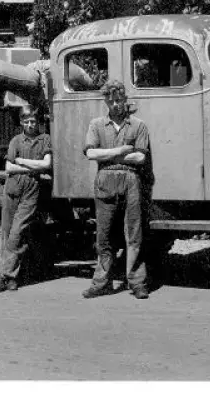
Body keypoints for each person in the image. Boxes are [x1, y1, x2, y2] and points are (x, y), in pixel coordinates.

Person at [82, 79, 152, 300]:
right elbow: (91, 153)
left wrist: (108, 153)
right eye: (111, 100)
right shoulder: (96, 125)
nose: (116, 104)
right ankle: (101, 283)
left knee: (134, 234)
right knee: (104, 236)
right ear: (106, 101)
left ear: (125, 100)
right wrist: (121, 150)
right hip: (105, 180)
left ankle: (137, 282)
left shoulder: (139, 125)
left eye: (119, 100)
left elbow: (140, 156)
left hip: (131, 180)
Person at [0, 107, 52, 292]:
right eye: (26, 122)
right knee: (7, 231)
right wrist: (33, 168)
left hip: (30, 191)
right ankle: (11, 278)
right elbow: (9, 168)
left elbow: (46, 164)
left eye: (33, 121)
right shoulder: (16, 140)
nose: (30, 125)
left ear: (37, 122)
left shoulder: (45, 140)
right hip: (12, 189)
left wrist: (21, 162)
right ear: (21, 123)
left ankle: (3, 275)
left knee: (17, 233)